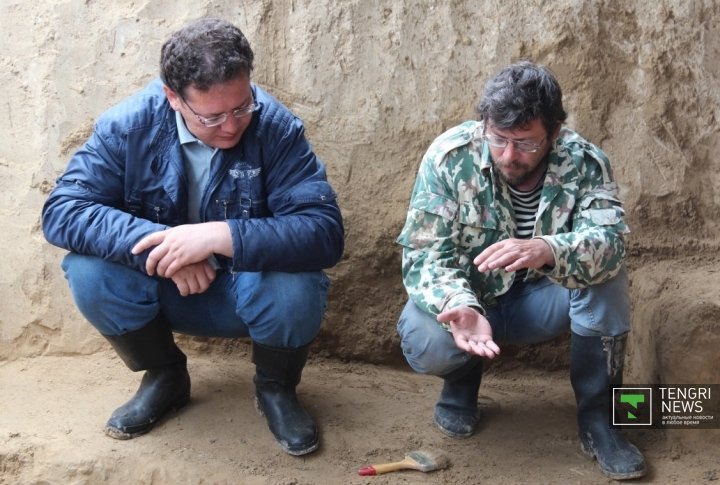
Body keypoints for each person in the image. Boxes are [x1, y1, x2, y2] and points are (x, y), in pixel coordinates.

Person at [42, 18, 344, 457]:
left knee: (296, 284)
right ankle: (165, 376)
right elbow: (62, 211)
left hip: (248, 294)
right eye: (213, 116)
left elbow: (324, 231)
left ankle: (276, 389)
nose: (232, 126)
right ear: (172, 97)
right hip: (164, 290)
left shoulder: (275, 128)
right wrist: (168, 245)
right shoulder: (127, 127)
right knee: (88, 272)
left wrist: (218, 235)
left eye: (242, 107)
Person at [396, 60, 646, 480]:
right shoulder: (448, 158)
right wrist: (459, 302)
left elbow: (612, 245)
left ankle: (599, 420)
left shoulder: (585, 163)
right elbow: (423, 255)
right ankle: (461, 381)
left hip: (542, 301)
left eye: (527, 143)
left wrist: (548, 248)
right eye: (498, 139)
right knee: (426, 339)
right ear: (485, 125)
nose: (510, 155)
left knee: (606, 280)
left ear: (554, 133)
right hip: (474, 305)